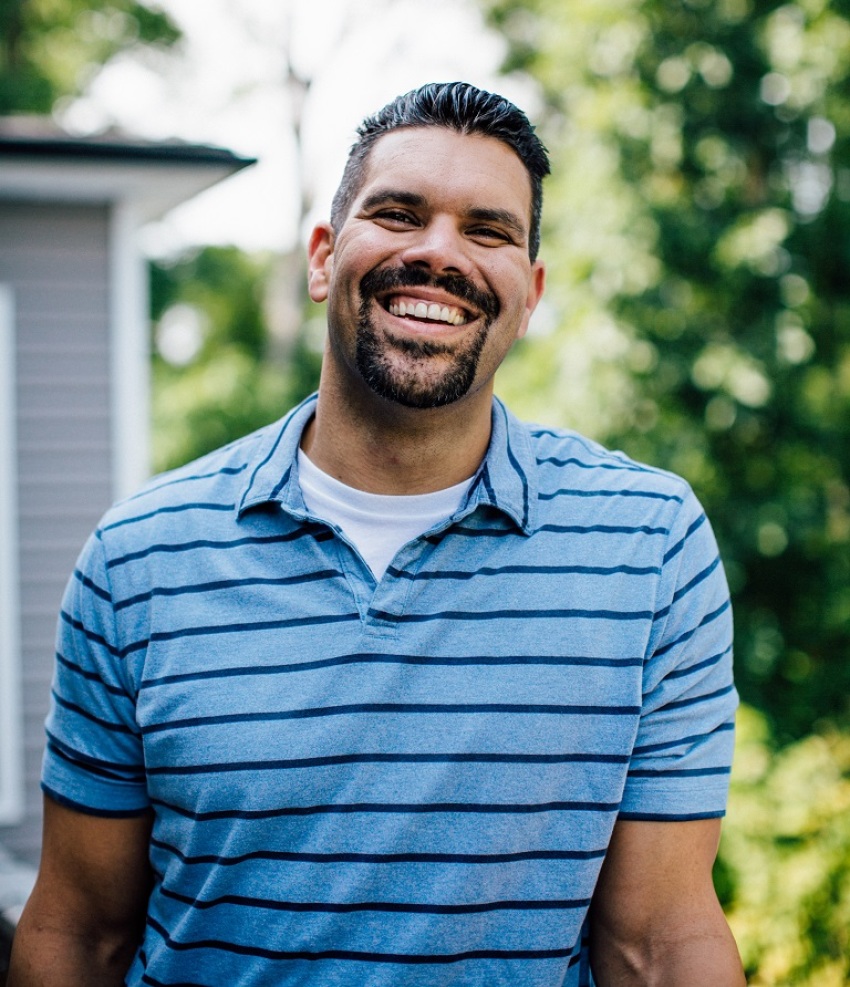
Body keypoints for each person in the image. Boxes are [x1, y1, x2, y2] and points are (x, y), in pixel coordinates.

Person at [8, 81, 745, 986]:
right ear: (323, 258)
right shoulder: (138, 560)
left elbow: (660, 941)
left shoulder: (650, 545)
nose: (439, 253)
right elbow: (78, 934)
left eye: (488, 231)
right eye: (399, 213)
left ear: (530, 292)